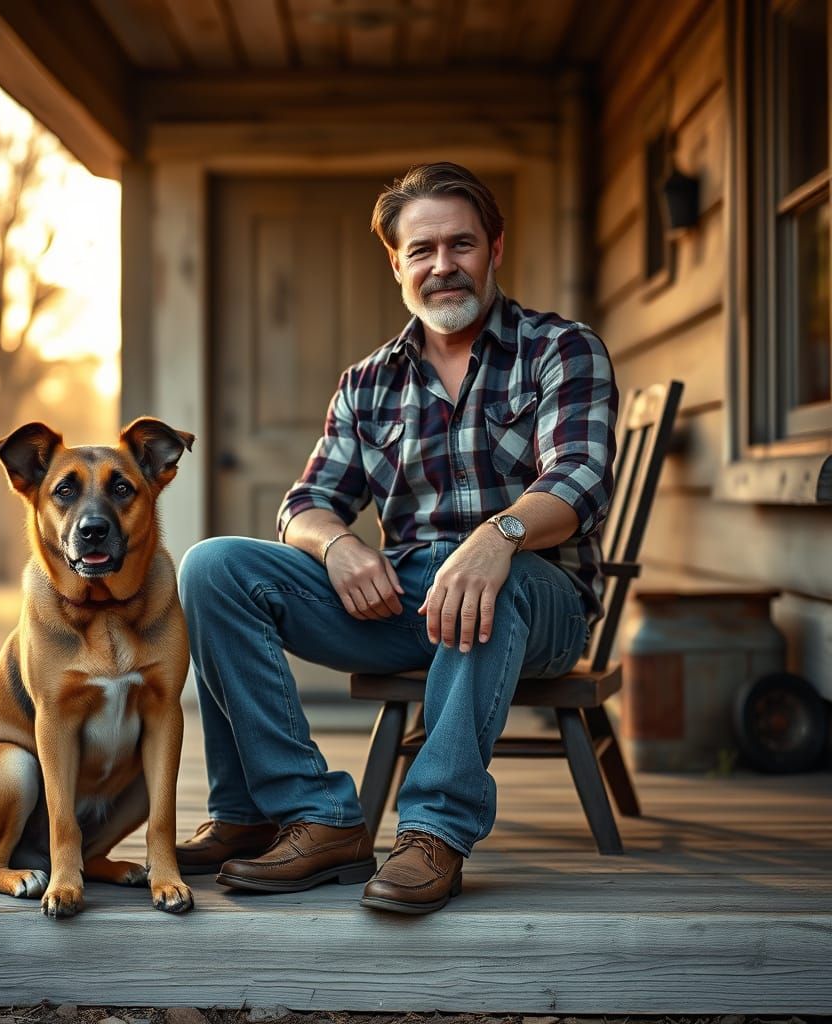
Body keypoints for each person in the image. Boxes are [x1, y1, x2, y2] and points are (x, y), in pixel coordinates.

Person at [175, 162, 618, 915]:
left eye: (461, 244)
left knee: (490, 577)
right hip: (406, 600)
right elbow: (308, 501)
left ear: (496, 248)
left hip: (536, 597)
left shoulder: (559, 349)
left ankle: (434, 832)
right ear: (396, 263)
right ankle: (302, 814)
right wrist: (338, 546)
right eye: (422, 250)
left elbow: (580, 477)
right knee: (213, 567)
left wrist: (499, 535)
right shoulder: (367, 382)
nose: (442, 266)